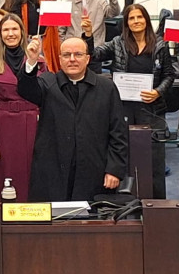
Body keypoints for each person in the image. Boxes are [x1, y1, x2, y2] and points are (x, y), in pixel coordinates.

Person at [18, 36, 128, 201]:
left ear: (87, 58)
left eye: (78, 54)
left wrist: (114, 169)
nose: (72, 59)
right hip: (53, 172)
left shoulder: (106, 88)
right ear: (60, 59)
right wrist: (32, 61)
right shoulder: (48, 82)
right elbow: (26, 89)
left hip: (94, 170)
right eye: (66, 55)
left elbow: (118, 132)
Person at [0, 11, 40, 202]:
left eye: (14, 28)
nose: (10, 33)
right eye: (5, 30)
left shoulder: (39, 62)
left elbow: (47, 99)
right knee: (8, 173)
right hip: (6, 126)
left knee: (34, 171)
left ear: (22, 32)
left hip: (34, 123)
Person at [96, 0, 178, 128]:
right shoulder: (117, 42)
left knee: (150, 146)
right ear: (127, 23)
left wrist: (158, 92)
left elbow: (169, 74)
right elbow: (94, 55)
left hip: (152, 107)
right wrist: (88, 35)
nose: (136, 21)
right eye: (131, 18)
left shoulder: (160, 45)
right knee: (125, 145)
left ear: (146, 20)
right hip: (124, 106)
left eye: (139, 17)